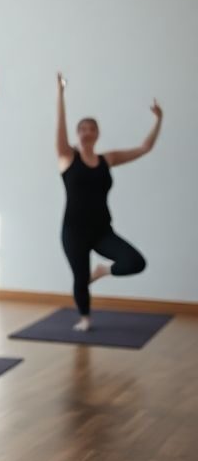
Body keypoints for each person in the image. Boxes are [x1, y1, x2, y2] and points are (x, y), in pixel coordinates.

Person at [56, 73, 160, 331]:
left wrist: (159, 120)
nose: (87, 132)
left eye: (91, 128)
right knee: (80, 277)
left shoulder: (108, 159)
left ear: (98, 133)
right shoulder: (67, 157)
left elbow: (144, 148)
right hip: (74, 232)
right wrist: (60, 94)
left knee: (136, 262)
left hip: (102, 230)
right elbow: (59, 126)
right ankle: (85, 318)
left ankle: (103, 271)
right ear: (77, 134)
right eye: (82, 129)